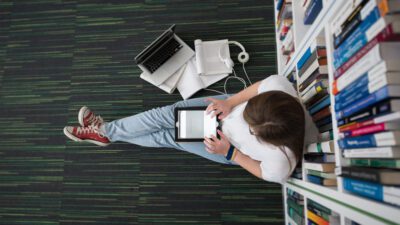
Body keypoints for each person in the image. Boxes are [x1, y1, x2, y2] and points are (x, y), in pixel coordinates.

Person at [63, 75, 318, 184]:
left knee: (170, 136)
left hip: (227, 145)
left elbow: (262, 171)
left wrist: (230, 153)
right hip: (227, 108)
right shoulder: (280, 88)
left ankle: (106, 133)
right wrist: (231, 103)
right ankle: (107, 132)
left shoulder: (282, 162)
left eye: (252, 128)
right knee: (163, 116)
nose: (248, 123)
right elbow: (259, 86)